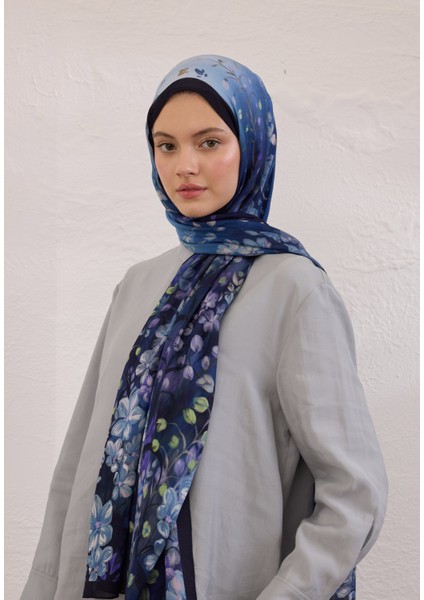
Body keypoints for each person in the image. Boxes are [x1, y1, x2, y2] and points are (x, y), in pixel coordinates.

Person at [21, 55, 388, 600]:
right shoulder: (138, 284)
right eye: (166, 145)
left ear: (253, 146)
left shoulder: (294, 290)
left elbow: (355, 493)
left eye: (209, 142)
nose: (184, 166)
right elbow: (79, 462)